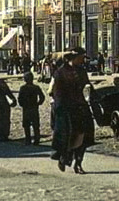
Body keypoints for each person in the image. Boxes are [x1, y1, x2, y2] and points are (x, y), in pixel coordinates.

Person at [50, 46, 94, 174]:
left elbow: (87, 85)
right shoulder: (60, 72)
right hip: (67, 109)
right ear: (73, 58)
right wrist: (59, 109)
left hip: (81, 107)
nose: (82, 60)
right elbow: (57, 92)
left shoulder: (82, 71)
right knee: (69, 137)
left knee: (84, 136)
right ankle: (64, 158)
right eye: (80, 58)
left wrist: (93, 96)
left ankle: (78, 163)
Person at [18, 71, 46, 145]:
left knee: (26, 124)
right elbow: (42, 97)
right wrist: (38, 103)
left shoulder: (23, 88)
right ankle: (36, 139)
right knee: (35, 124)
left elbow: (20, 98)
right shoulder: (36, 87)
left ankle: (28, 139)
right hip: (34, 107)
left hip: (26, 108)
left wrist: (22, 104)